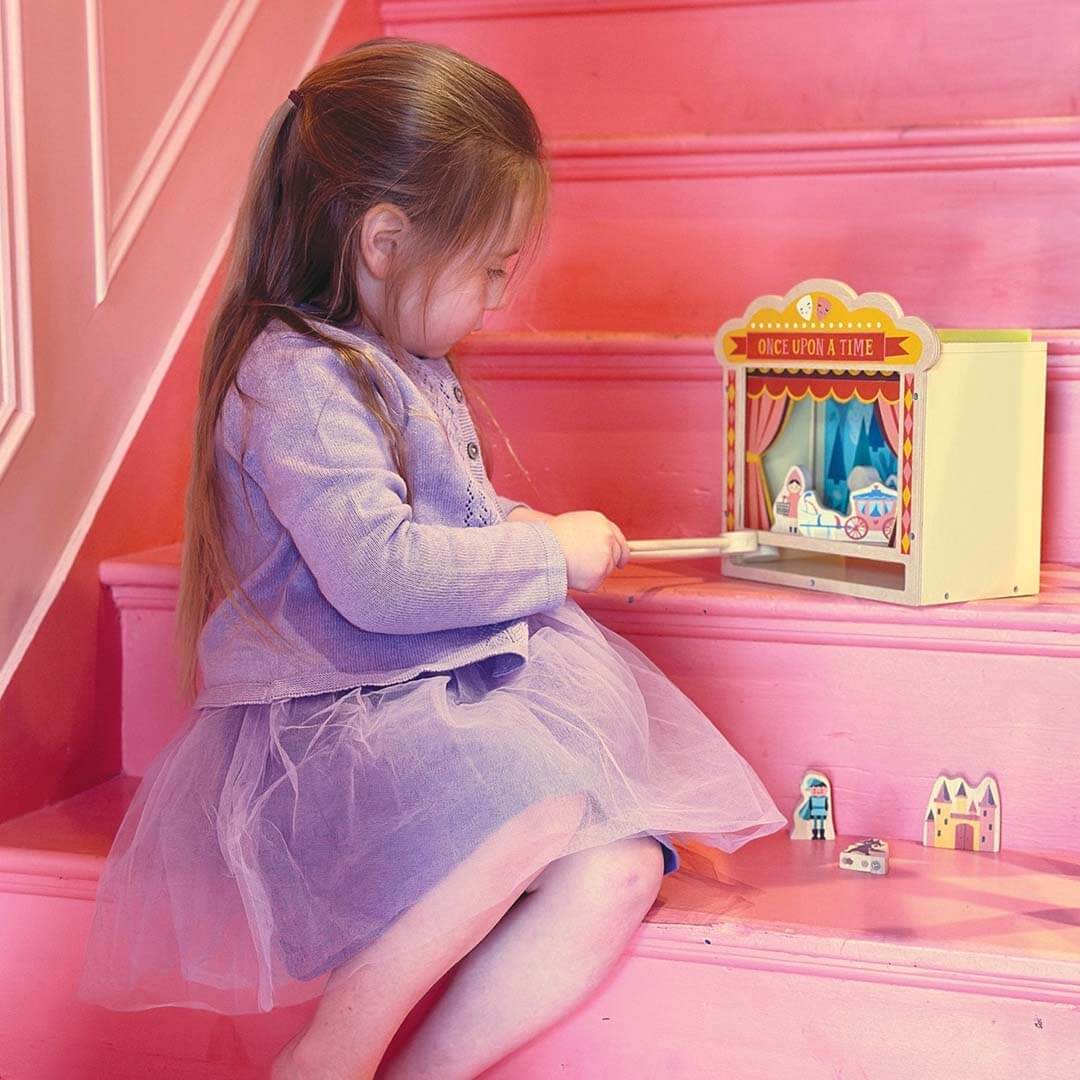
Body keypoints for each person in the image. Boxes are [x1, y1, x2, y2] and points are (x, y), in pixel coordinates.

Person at [76, 37, 786, 1080]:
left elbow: (448, 509)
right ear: (385, 241)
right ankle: (335, 1051)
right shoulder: (297, 378)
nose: (500, 301)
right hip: (333, 729)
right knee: (547, 799)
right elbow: (380, 574)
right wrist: (544, 556)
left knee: (621, 868)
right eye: (492, 269)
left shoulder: (404, 362)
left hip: (423, 692)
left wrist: (527, 529)